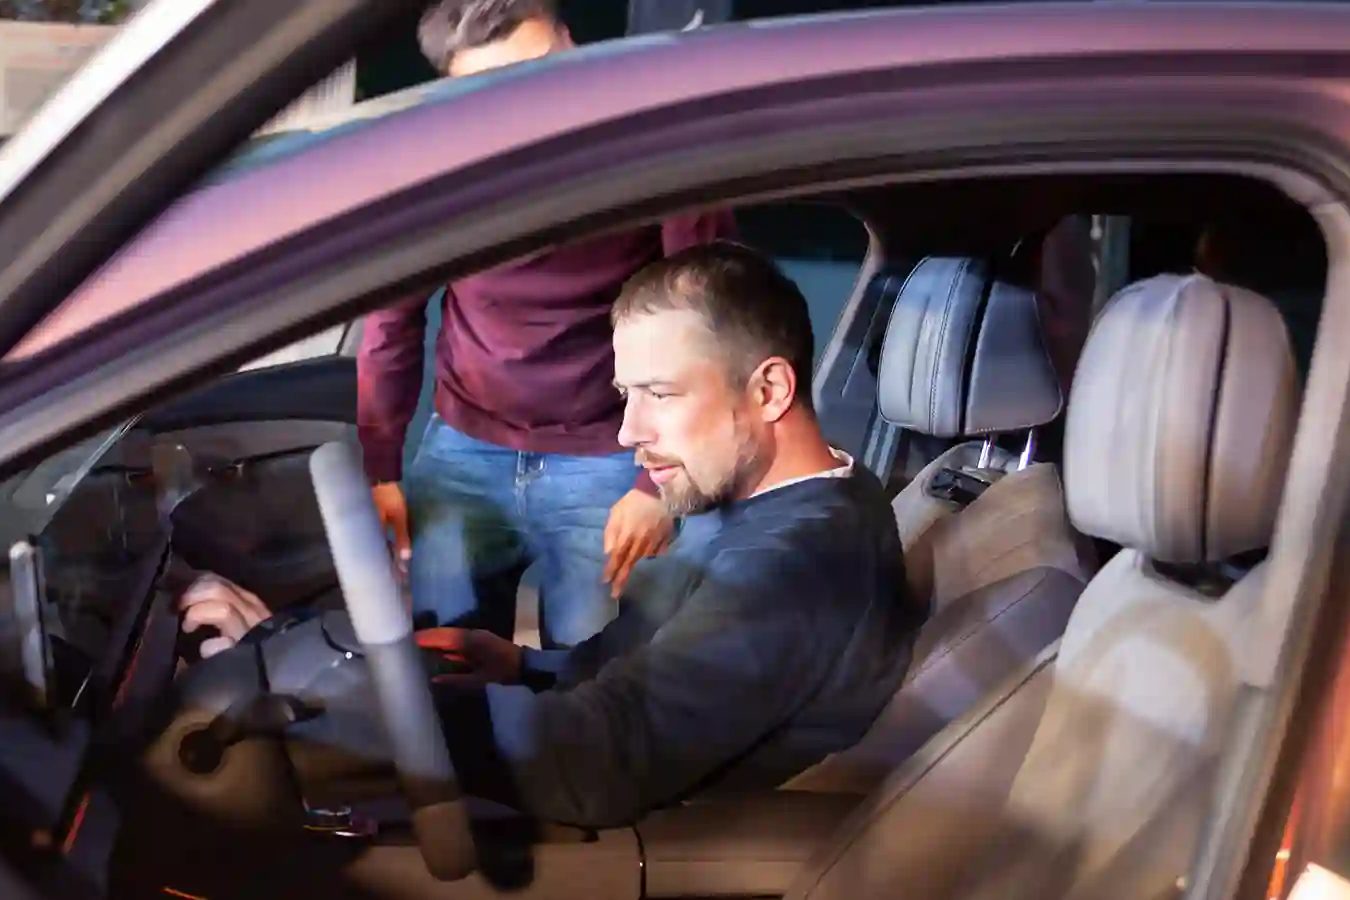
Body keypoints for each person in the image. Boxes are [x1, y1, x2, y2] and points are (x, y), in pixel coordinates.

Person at [186, 242, 923, 828]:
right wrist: (519, 665)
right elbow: (642, 669)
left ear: (769, 390)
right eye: (626, 394)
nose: (629, 432)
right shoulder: (790, 499)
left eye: (660, 394)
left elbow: (601, 757)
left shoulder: (795, 563)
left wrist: (331, 694)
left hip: (644, 844)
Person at [363, 0, 740, 648]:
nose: (531, 96)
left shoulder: (653, 143)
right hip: (465, 446)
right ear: (455, 92)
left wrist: (659, 480)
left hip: (611, 454)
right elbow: (389, 326)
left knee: (592, 672)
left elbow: (708, 321)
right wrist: (380, 471)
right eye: (496, 85)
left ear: (569, 40)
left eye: (543, 65)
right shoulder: (430, 169)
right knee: (446, 664)